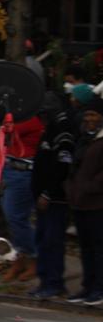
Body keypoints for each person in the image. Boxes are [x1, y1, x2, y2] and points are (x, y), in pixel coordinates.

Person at [28, 92, 76, 299]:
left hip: (55, 198)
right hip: (42, 197)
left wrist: (48, 193)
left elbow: (62, 166)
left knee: (52, 240)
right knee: (42, 239)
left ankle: (54, 283)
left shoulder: (62, 130)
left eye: (44, 114)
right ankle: (44, 280)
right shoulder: (49, 129)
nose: (41, 118)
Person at [64, 97, 103, 305]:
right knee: (86, 247)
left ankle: (99, 288)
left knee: (98, 247)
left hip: (97, 203)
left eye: (94, 115)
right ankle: (87, 286)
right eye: (87, 114)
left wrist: (90, 187)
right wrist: (72, 188)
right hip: (80, 202)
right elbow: (74, 167)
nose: (90, 119)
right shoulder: (83, 139)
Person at [0, 113, 46, 282]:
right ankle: (22, 256)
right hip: (11, 169)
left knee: (16, 217)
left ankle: (33, 257)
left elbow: (6, 131)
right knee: (12, 216)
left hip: (23, 172)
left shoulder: (30, 118)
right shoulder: (19, 116)